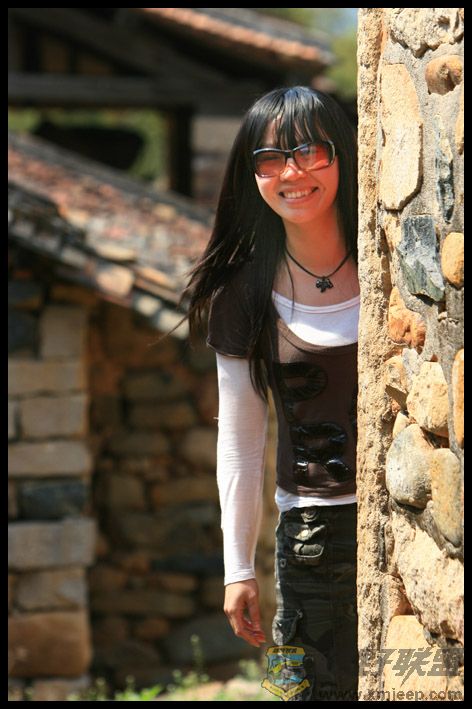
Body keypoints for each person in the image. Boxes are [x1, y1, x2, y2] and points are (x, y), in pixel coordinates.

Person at [178, 86, 359, 701]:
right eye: (270, 158)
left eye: (310, 151)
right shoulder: (243, 295)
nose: (292, 172)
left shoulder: (396, 263)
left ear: (343, 153)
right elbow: (240, 441)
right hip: (313, 539)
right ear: (251, 174)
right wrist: (238, 569)